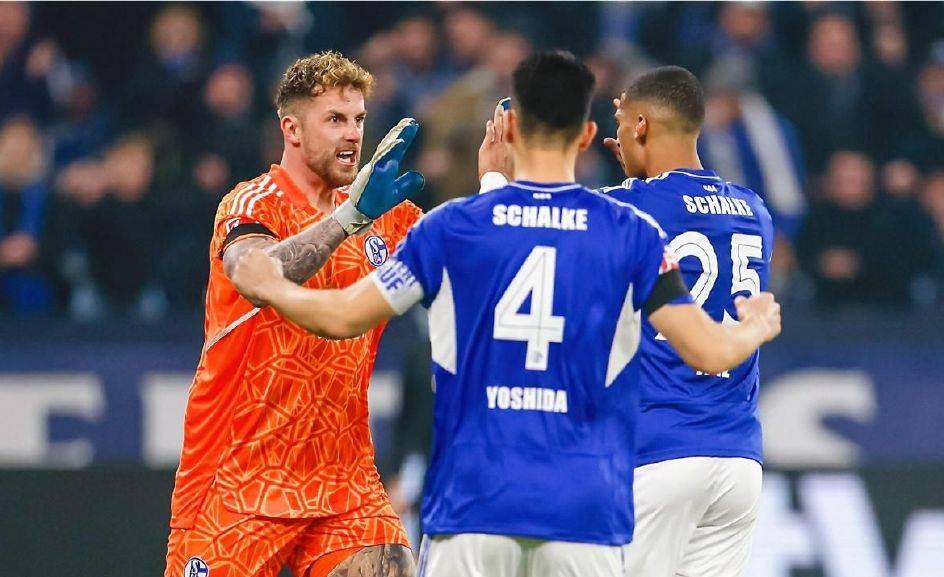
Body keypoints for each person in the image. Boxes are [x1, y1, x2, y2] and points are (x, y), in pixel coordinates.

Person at [230, 51, 781, 577]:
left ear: (507, 132)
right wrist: (755, 326)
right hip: (608, 489)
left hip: (479, 496)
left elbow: (344, 315)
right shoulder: (630, 230)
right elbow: (707, 349)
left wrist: (274, 285)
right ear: (586, 137)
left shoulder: (454, 228)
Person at [480, 65, 776, 576]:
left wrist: (496, 177)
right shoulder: (755, 211)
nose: (613, 138)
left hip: (653, 452)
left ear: (641, 126)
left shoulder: (624, 209)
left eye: (619, 123)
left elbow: (520, 250)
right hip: (737, 460)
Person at [164, 51, 425, 577]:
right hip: (239, 482)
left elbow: (470, 254)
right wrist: (349, 219)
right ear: (293, 129)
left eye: (358, 119)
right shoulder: (252, 204)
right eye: (335, 119)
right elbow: (256, 274)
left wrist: (504, 184)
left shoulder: (387, 215)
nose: (352, 134)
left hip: (345, 481)